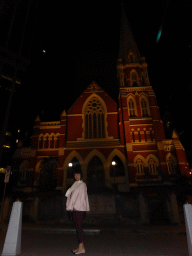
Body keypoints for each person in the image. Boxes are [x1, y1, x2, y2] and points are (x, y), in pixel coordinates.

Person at [65, 170, 90, 254]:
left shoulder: (82, 185)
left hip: (79, 208)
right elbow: (70, 196)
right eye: (75, 175)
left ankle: (81, 247)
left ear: (81, 175)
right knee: (78, 227)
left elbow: (81, 197)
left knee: (79, 227)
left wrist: (75, 206)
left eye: (78, 174)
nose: (76, 176)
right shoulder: (75, 185)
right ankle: (80, 247)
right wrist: (70, 206)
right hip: (75, 208)